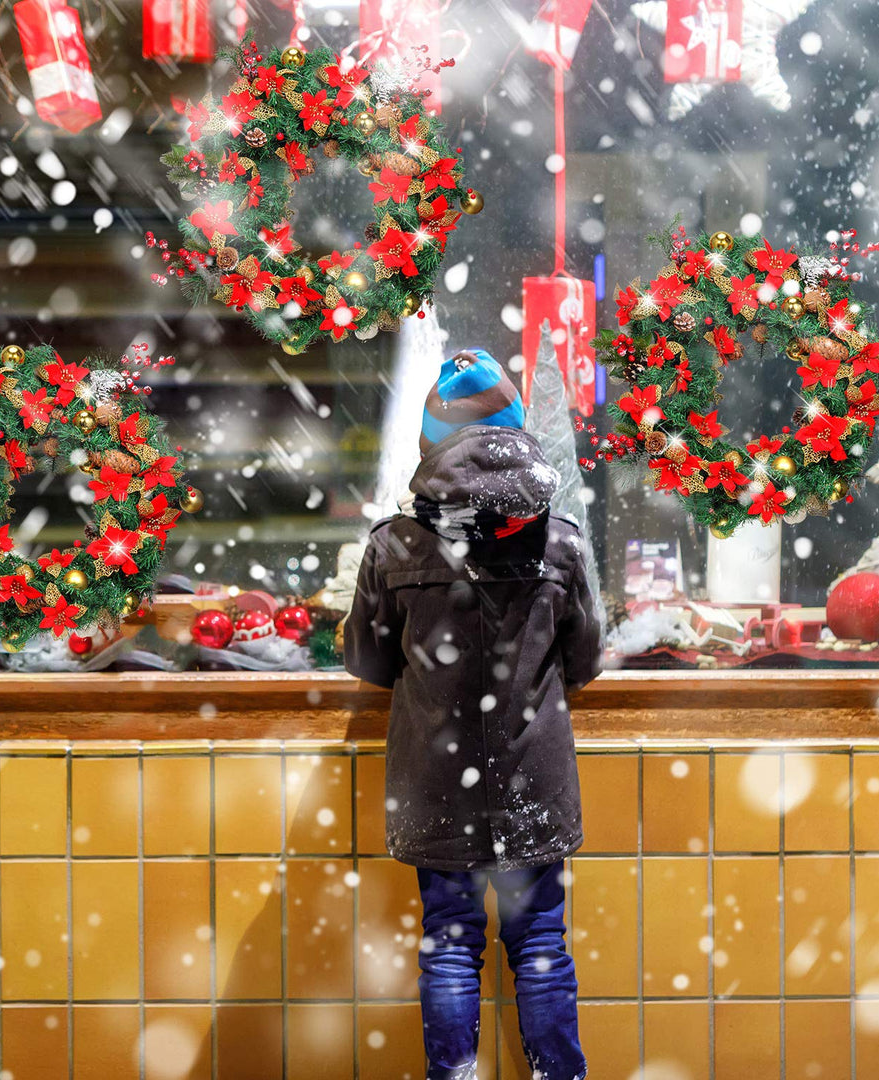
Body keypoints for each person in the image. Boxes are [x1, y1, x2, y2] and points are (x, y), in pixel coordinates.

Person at [344, 347, 602, 1080]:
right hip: (533, 783)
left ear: (431, 439)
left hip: (435, 781)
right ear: (519, 428)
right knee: (541, 944)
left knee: (451, 942)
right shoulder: (559, 541)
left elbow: (367, 661)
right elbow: (585, 661)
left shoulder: (394, 544)